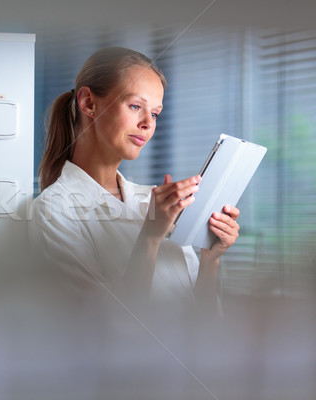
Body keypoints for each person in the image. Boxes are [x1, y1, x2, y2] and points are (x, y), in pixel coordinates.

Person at [28, 47, 240, 314]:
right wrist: (150, 237)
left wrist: (211, 258)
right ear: (88, 103)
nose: (147, 124)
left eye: (154, 114)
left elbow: (205, 319)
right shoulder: (53, 210)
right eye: (136, 106)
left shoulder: (155, 202)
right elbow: (105, 327)